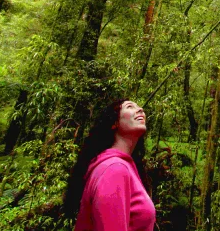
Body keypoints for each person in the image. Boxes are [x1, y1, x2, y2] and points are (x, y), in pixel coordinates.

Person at [64, 99, 156, 231]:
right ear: (114, 123)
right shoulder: (114, 169)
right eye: (130, 107)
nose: (140, 109)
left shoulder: (120, 166)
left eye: (140, 107)